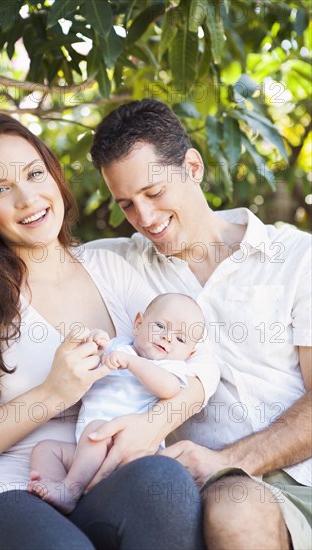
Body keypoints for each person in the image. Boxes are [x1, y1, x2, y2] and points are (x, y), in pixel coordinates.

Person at [0, 114, 213, 549]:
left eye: (34, 174)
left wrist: (153, 423)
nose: (27, 198)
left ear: (54, 175)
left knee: (163, 484)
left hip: (98, 479)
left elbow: (201, 364)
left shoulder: (109, 267)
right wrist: (52, 394)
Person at [87, 99, 312, 549]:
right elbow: (17, 257)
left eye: (154, 193)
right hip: (187, 489)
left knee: (235, 504)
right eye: (127, 204)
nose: (146, 219)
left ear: (192, 167)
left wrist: (223, 461)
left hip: (296, 480)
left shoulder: (296, 257)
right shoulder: (121, 263)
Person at [28, 293, 213, 514]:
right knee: (46, 449)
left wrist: (132, 363)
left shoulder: (171, 368)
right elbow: (89, 366)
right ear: (138, 323)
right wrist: (95, 343)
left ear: (190, 353)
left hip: (130, 450)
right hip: (86, 451)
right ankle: (59, 491)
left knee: (98, 430)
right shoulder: (118, 346)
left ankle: (70, 490)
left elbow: (169, 389)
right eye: (161, 326)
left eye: (181, 339)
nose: (168, 338)